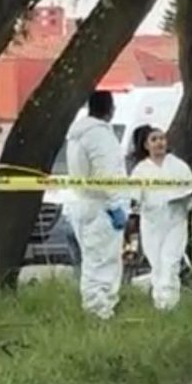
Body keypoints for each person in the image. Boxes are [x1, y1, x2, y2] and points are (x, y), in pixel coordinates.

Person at [66, 91, 130, 320]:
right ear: (110, 109)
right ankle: (100, 313)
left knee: (92, 263)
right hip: (102, 207)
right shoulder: (100, 136)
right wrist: (114, 206)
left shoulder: (77, 135)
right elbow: (106, 174)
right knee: (104, 263)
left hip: (83, 203)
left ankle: (95, 310)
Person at [128, 126, 192, 310]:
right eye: (154, 139)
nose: (159, 143)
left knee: (170, 263)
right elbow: (134, 198)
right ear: (146, 145)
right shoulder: (141, 170)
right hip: (151, 224)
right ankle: (160, 304)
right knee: (158, 266)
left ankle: (169, 304)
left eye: (162, 138)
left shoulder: (178, 166)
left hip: (175, 221)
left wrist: (185, 201)